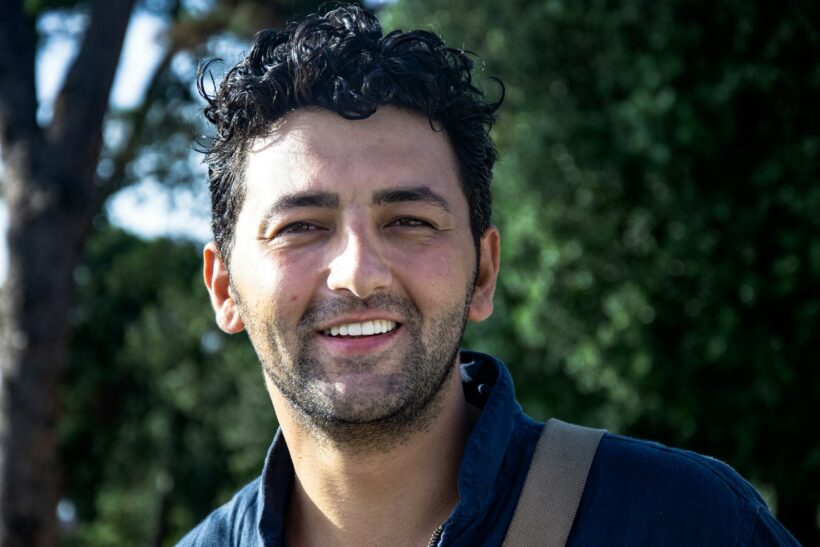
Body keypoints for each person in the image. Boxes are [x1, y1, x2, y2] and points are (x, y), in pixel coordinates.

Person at [179, 5, 799, 546]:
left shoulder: (693, 523)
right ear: (224, 287)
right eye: (301, 227)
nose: (359, 274)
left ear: (484, 273)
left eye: (409, 221)